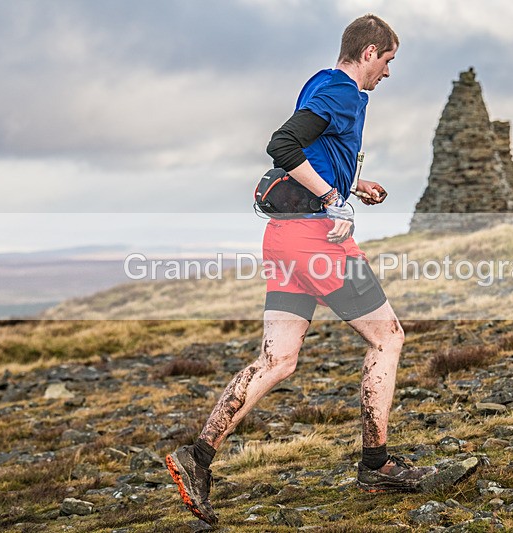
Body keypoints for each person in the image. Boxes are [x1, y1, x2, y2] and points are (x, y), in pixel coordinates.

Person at [165, 14, 436, 525]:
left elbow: (314, 150)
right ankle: (376, 463)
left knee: (278, 361)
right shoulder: (341, 91)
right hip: (316, 241)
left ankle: (196, 458)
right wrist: (333, 196)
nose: (388, 72)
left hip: (284, 241)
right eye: (389, 61)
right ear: (371, 51)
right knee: (389, 338)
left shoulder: (321, 83)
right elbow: (283, 146)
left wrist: (355, 185)